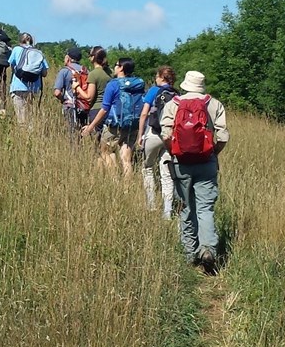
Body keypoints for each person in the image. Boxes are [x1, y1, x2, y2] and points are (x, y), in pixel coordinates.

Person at [160, 70, 230, 270]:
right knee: (205, 208)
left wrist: (173, 153)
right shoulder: (214, 104)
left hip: (181, 162)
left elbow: (166, 135)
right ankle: (208, 249)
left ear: (185, 85)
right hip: (206, 162)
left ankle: (189, 253)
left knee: (186, 207)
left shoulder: (173, 104)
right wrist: (214, 153)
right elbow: (223, 136)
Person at [81, 58, 145, 176]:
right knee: (126, 159)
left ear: (121, 68)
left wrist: (90, 127)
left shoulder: (113, 84)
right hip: (132, 125)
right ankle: (127, 189)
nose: (114, 67)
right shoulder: (137, 84)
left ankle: (115, 182)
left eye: (116, 65)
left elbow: (104, 109)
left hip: (114, 126)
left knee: (106, 152)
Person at [137, 65, 178, 219]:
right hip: (170, 137)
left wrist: (140, 135)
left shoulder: (154, 91)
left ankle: (151, 205)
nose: (155, 78)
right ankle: (167, 212)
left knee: (147, 168)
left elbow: (144, 114)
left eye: (157, 75)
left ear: (162, 77)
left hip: (153, 134)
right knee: (166, 174)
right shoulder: (177, 94)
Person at [8, 33, 48, 126]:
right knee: (31, 118)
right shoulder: (39, 53)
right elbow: (45, 73)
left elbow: (11, 65)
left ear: (20, 41)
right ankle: (31, 135)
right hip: (34, 88)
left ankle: (23, 136)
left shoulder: (16, 50)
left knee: (21, 118)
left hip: (18, 86)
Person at [52, 47, 91, 132]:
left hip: (70, 106)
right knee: (83, 132)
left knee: (72, 133)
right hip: (84, 106)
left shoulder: (64, 71)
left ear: (68, 57)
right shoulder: (85, 71)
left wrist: (63, 100)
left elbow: (57, 92)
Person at [83, 47, 112, 139]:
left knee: (97, 140)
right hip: (110, 110)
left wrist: (77, 87)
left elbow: (89, 97)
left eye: (90, 56)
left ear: (93, 57)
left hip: (96, 109)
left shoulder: (93, 74)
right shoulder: (110, 72)